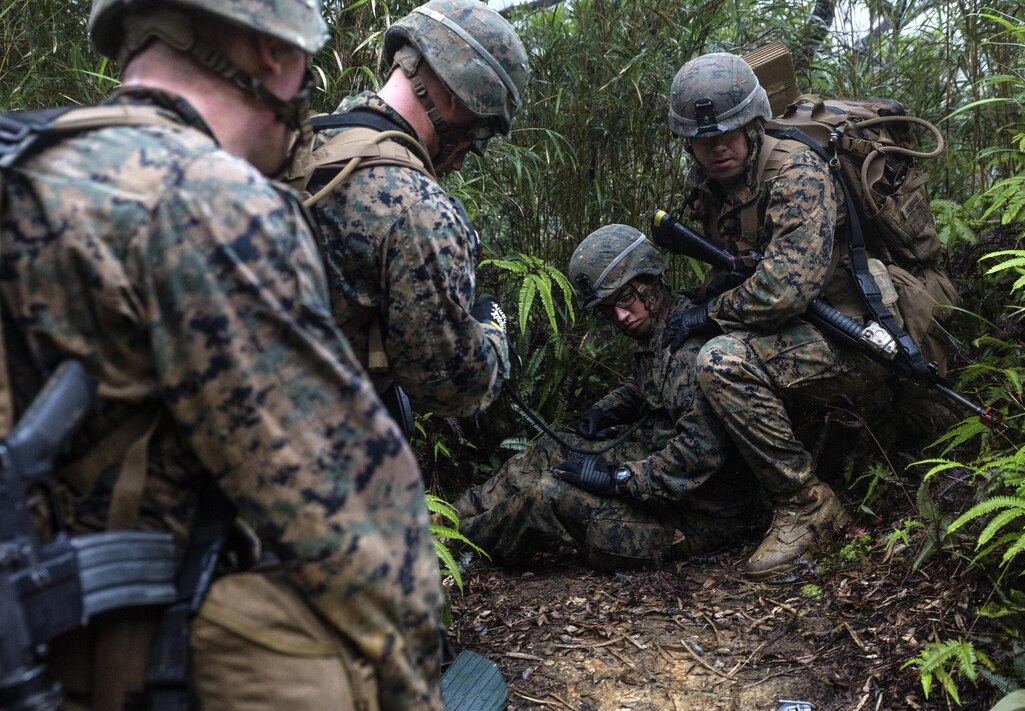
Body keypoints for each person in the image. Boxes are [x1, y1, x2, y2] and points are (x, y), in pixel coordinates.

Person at [0, 0, 445, 711]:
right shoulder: (208, 199)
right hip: (129, 672)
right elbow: (357, 522)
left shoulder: (24, 160)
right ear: (274, 55)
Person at [663, 52, 896, 582]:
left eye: (728, 133)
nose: (717, 147)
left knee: (721, 361)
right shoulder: (712, 183)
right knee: (686, 341)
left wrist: (709, 313)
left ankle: (809, 504)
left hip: (851, 336)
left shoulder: (796, 173)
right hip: (797, 329)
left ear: (752, 123)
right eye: (703, 139)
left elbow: (781, 292)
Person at [454, 225, 760, 571]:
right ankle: (450, 516)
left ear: (650, 282)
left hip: (696, 513)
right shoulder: (667, 324)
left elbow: (699, 455)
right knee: (549, 450)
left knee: (545, 495)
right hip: (659, 469)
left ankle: (451, 545)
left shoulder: (693, 346)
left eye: (626, 299)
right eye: (607, 308)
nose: (620, 317)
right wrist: (603, 412)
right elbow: (648, 385)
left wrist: (619, 479)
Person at [293, 0, 528, 420]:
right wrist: (490, 328)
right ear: (461, 99)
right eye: (479, 135)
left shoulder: (302, 142)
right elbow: (454, 390)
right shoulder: (420, 210)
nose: (460, 161)